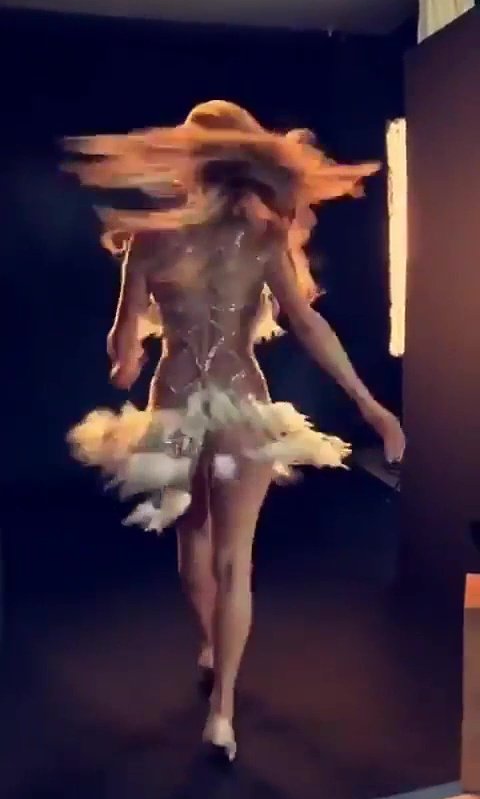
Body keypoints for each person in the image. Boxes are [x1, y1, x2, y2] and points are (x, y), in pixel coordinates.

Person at [66, 101, 405, 760]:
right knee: (234, 561)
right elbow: (307, 323)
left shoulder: (149, 241)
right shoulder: (264, 239)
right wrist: (370, 405)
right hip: (244, 407)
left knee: (194, 542)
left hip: (176, 408)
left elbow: (123, 352)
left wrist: (126, 354)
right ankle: (221, 713)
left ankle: (208, 648)